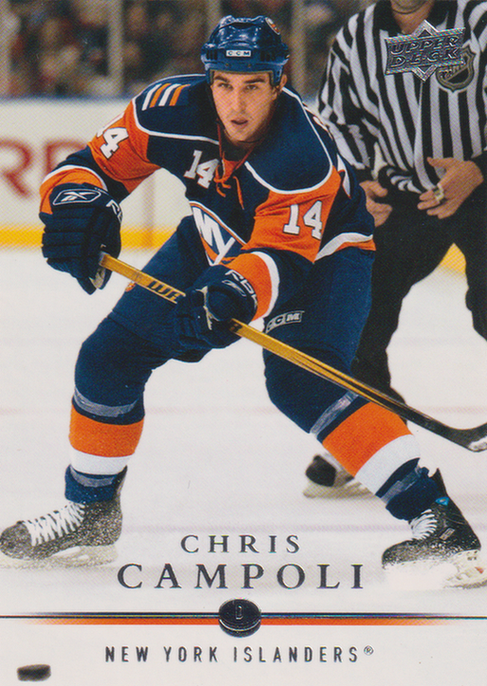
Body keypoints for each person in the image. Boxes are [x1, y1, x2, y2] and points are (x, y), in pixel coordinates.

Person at [0, 15, 483, 585]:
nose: (237, 103)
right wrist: (75, 203)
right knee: (109, 357)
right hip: (213, 235)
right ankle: (91, 513)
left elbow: (281, 258)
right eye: (224, 84)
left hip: (326, 259)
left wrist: (230, 294)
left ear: (278, 84)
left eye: (253, 85)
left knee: (301, 382)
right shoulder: (164, 109)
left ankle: (440, 522)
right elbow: (90, 166)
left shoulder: (301, 153)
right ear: (208, 79)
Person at [304, 0, 487, 497]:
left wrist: (479, 168)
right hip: (402, 195)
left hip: (482, 187)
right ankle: (373, 438)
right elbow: (339, 120)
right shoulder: (357, 36)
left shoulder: (478, 20)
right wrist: (358, 178)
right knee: (351, 312)